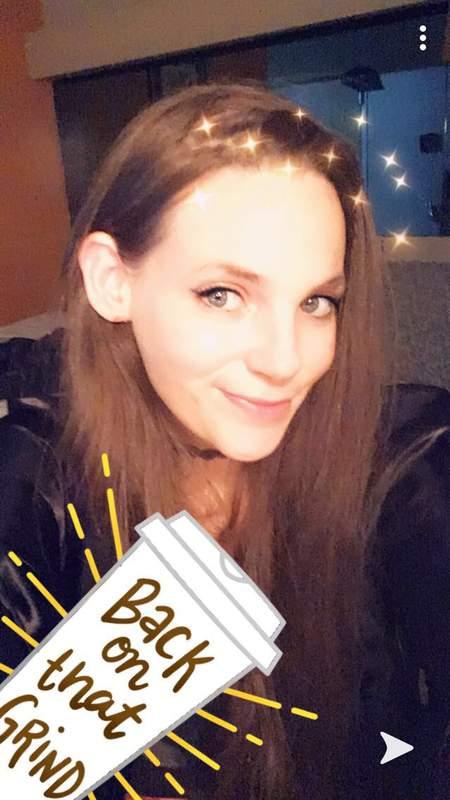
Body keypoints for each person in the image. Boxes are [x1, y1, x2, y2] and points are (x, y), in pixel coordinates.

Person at [0, 80, 449, 800]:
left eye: (316, 302)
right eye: (222, 295)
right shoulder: (38, 492)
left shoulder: (402, 458)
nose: (285, 360)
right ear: (113, 281)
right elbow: (24, 775)